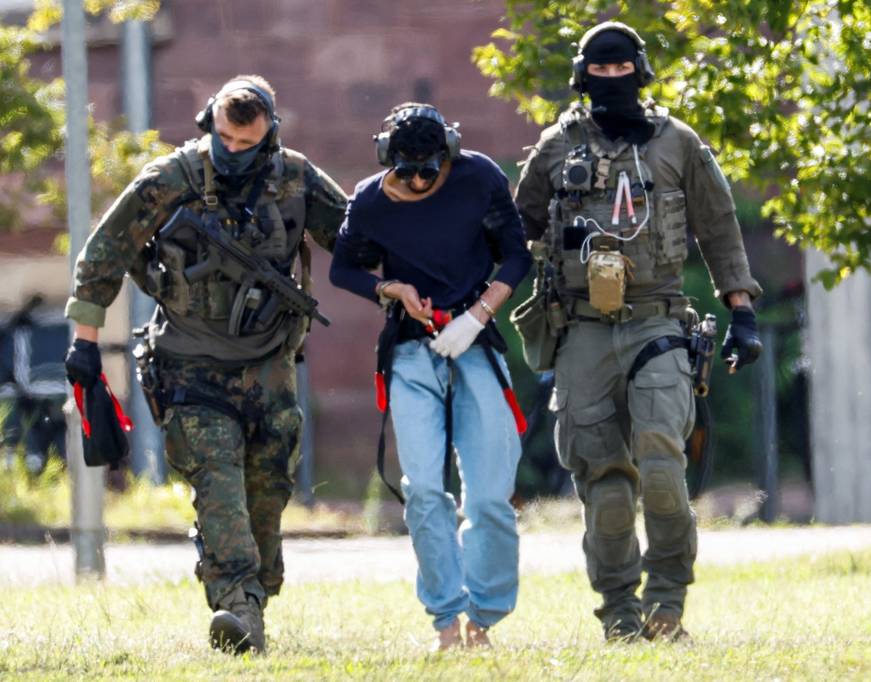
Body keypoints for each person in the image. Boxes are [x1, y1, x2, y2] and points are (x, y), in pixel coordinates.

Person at [63, 75, 347, 653]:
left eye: (247, 144)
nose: (233, 152)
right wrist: (85, 345)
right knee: (219, 487)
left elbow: (358, 238)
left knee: (266, 497)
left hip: (270, 368)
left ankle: (255, 595)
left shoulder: (294, 177)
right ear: (208, 126)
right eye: (223, 140)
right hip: (190, 366)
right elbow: (104, 253)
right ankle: (237, 607)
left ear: (269, 137)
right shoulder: (171, 180)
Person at [513, 22, 763, 641]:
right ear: (582, 77)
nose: (612, 81)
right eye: (601, 72)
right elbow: (513, 228)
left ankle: (668, 601)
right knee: (603, 483)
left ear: (641, 71)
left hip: (659, 319)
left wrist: (743, 312)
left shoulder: (678, 143)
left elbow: (719, 227)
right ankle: (620, 614)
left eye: (623, 70)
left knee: (660, 463)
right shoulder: (555, 147)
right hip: (583, 328)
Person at [329, 103, 532, 650]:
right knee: (423, 490)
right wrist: (389, 290)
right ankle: (445, 618)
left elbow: (517, 256)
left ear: (450, 152)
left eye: (430, 168)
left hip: (473, 339)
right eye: (406, 170)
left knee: (490, 493)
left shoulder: (480, 178)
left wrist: (477, 316)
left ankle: (483, 618)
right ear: (387, 160)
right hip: (411, 350)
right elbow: (342, 268)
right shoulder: (371, 198)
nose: (419, 180)